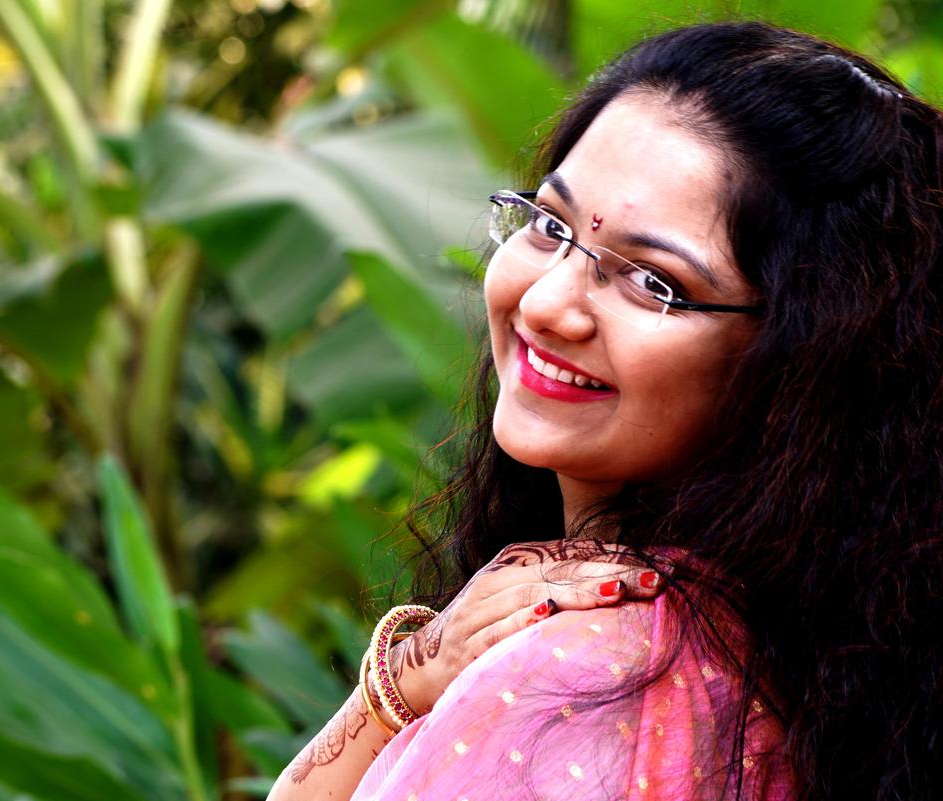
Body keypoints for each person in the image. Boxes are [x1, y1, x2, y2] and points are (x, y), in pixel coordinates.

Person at [268, 21, 943, 801]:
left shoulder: (580, 675)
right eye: (551, 225)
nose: (546, 302)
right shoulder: (813, 660)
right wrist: (408, 675)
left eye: (654, 282)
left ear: (803, 355)